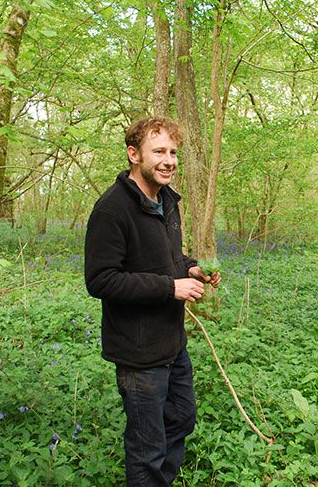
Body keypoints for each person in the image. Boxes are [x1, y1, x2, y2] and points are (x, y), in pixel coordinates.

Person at [84, 117, 221, 485]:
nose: (168, 160)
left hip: (172, 343)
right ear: (133, 154)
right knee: (147, 449)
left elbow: (166, 261)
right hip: (138, 352)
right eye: (158, 151)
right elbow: (100, 280)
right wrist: (169, 288)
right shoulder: (112, 210)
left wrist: (191, 270)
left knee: (181, 418)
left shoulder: (166, 202)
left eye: (173, 152)